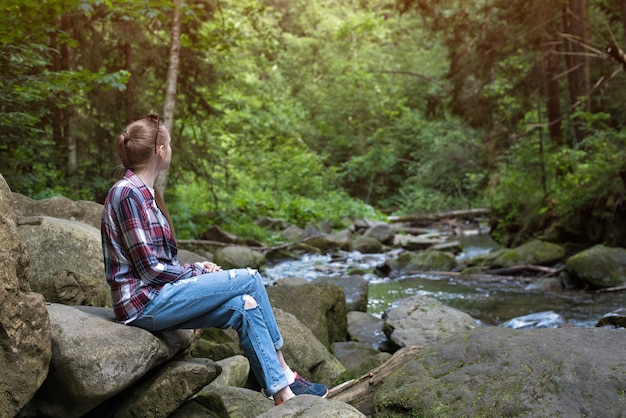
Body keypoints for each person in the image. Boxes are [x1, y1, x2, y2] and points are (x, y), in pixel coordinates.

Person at [100, 114, 328, 405]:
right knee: (250, 278)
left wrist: (194, 269)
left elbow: (157, 264)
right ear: (160, 150)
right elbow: (151, 270)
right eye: (168, 144)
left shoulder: (145, 194)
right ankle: (287, 373)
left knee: (244, 306)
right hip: (142, 304)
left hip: (157, 296)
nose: (171, 149)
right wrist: (196, 271)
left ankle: (282, 394)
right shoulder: (128, 194)